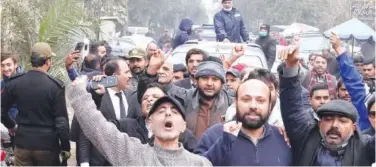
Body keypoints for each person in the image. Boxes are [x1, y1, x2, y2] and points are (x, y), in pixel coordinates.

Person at [66, 76, 212, 166]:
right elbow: (98, 129)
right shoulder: (133, 154)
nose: (167, 113)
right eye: (160, 111)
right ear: (151, 123)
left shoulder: (200, 164)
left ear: (183, 126)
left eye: (174, 111)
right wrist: (80, 94)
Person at [278, 35, 374, 165]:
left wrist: (339, 49)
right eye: (328, 119)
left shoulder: (364, 147)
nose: (334, 125)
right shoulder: (306, 138)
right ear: (319, 123)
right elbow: (292, 108)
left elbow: (357, 88)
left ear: (354, 128)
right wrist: (291, 65)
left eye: (343, 121)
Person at [1, 42, 70, 166]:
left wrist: (11, 126)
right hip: (47, 147)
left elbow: (2, 111)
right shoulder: (55, 86)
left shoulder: (15, 83)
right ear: (48, 62)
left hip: (22, 144)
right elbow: (62, 122)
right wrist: (66, 148)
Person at [143, 50, 234, 139]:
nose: (209, 83)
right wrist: (152, 70)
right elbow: (149, 92)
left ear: (222, 83)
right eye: (205, 78)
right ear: (197, 80)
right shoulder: (183, 97)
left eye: (214, 79)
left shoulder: (231, 104)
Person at [201, 78, 292, 166]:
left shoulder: (283, 139)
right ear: (235, 102)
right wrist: (224, 143)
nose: (253, 106)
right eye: (246, 99)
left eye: (260, 101)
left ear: (269, 106)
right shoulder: (213, 135)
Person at [77, 57, 136, 166]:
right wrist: (84, 162)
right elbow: (86, 130)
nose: (130, 76)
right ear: (114, 76)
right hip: (99, 161)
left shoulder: (132, 96)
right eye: (126, 72)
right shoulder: (97, 96)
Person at [114, 83, 198, 152]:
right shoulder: (125, 126)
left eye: (155, 97)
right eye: (145, 98)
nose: (149, 99)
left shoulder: (180, 132)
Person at [1, 52, 24, 120]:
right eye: (2, 65)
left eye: (8, 65)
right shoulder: (1, 84)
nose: (5, 68)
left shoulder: (26, 81)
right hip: (6, 125)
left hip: (23, 126)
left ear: (15, 64)